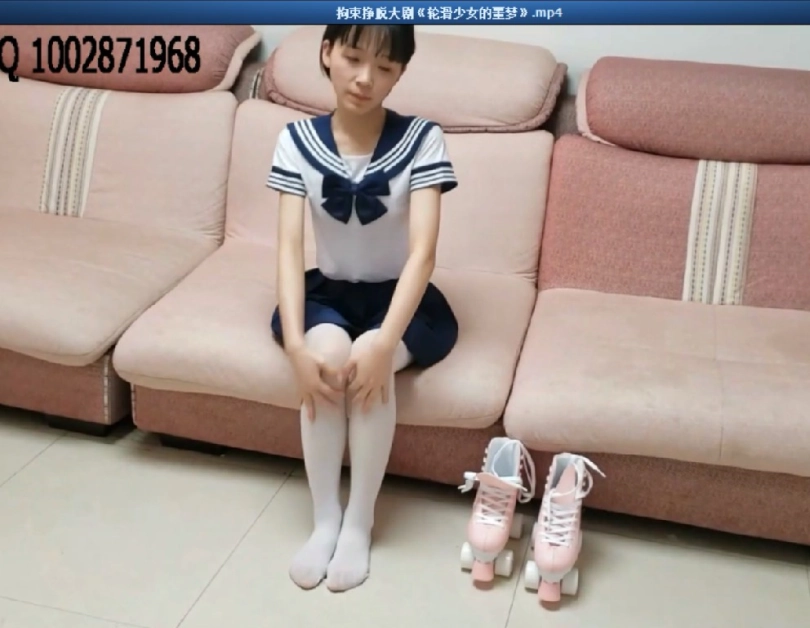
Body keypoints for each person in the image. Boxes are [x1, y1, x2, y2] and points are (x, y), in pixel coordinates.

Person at [266, 24, 459, 592]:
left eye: (385, 67)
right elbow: (288, 248)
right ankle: (325, 518)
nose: (365, 78)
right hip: (327, 293)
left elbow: (423, 253)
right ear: (327, 53)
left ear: (400, 75)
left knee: (368, 359)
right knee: (327, 356)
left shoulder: (422, 139)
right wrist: (296, 346)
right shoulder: (294, 140)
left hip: (401, 299)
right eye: (353, 57)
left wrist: (384, 343)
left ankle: (359, 521)